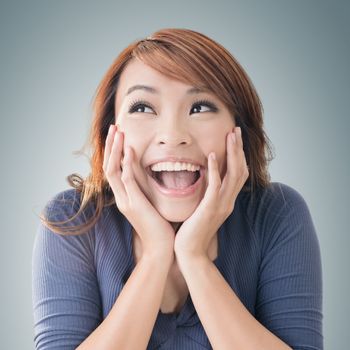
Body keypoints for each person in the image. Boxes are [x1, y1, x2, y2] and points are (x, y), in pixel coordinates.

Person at [32, 28, 323, 349]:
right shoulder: (73, 220)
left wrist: (193, 257)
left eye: (200, 107)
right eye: (143, 107)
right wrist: (157, 253)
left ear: (238, 131)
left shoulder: (277, 213)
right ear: (110, 132)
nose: (172, 135)